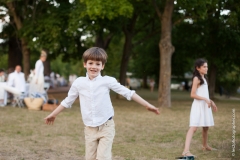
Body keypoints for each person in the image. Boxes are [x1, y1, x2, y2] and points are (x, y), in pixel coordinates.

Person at [44, 47, 160, 160]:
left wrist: (147, 105)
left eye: (98, 64)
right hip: (89, 129)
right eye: (91, 63)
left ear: (102, 66)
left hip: (106, 127)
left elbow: (128, 93)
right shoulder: (79, 83)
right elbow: (67, 101)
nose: (94, 66)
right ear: (85, 64)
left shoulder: (107, 81)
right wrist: (53, 114)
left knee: (103, 157)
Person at [182, 58, 218, 158]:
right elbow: (192, 94)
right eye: (204, 67)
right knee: (193, 128)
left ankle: (205, 146)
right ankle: (185, 151)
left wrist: (211, 101)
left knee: (206, 127)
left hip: (205, 106)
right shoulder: (196, 79)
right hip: (198, 106)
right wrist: (205, 99)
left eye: (207, 66)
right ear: (198, 68)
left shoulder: (204, 78)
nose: (206, 68)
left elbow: (203, 93)